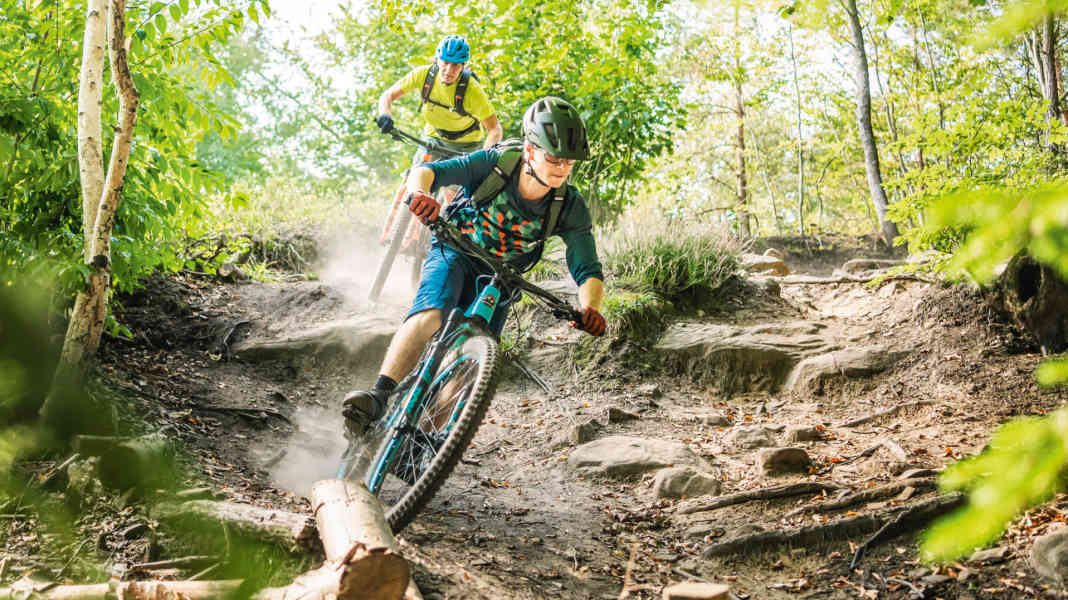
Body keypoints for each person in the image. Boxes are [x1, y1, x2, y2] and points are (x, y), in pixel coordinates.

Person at [344, 96, 606, 426]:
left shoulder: (570, 205)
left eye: (570, 162)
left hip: (501, 278)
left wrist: (590, 309)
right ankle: (378, 395)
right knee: (430, 317)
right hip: (455, 248)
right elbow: (427, 172)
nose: (562, 168)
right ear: (529, 151)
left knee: (471, 365)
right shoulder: (496, 163)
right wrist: (421, 195)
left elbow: (587, 268)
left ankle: (425, 440)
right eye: (554, 158)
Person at [375, 34, 503, 165]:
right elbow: (387, 95)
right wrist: (385, 115)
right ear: (436, 60)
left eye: (455, 65)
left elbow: (495, 129)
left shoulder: (472, 89)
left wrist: (484, 158)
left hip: (467, 146)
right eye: (445, 62)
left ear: (463, 66)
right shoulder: (423, 75)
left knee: (451, 186)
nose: (449, 70)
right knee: (414, 179)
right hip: (434, 139)